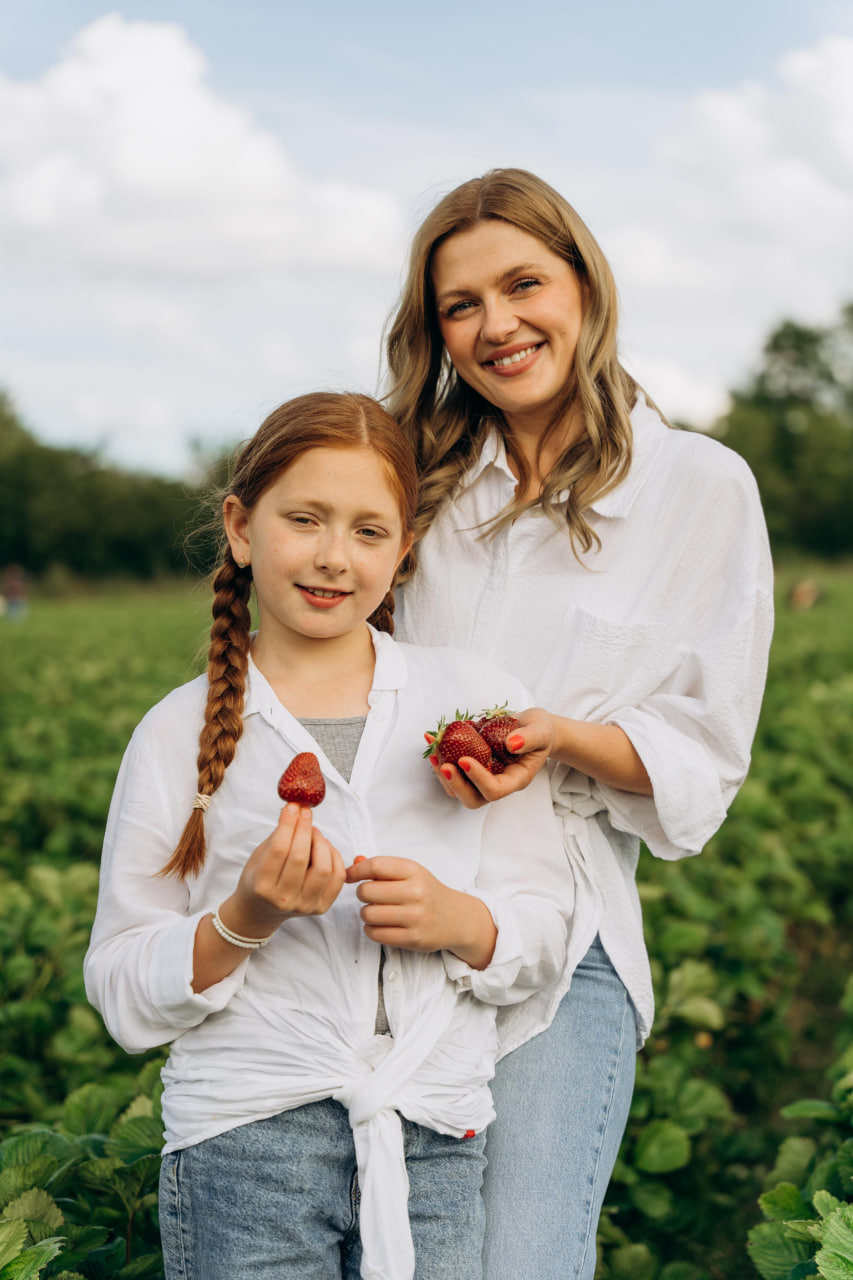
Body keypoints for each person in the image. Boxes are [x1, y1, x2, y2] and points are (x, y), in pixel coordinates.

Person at [84, 391, 576, 1280]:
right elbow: (120, 988)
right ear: (241, 528)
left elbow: (547, 930)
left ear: (404, 550)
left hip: (430, 1137)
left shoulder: (470, 704)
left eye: (367, 531)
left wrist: (460, 921)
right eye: (303, 519)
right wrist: (244, 918)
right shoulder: (175, 732)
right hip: (246, 1140)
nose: (332, 557)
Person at [385, 168, 775, 1280]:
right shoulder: (416, 484)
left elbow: (705, 750)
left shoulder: (694, 485)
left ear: (584, 288)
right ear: (436, 334)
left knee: (521, 1261)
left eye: (523, 285)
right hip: (394, 918)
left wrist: (554, 736)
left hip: (563, 935)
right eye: (461, 306)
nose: (496, 325)